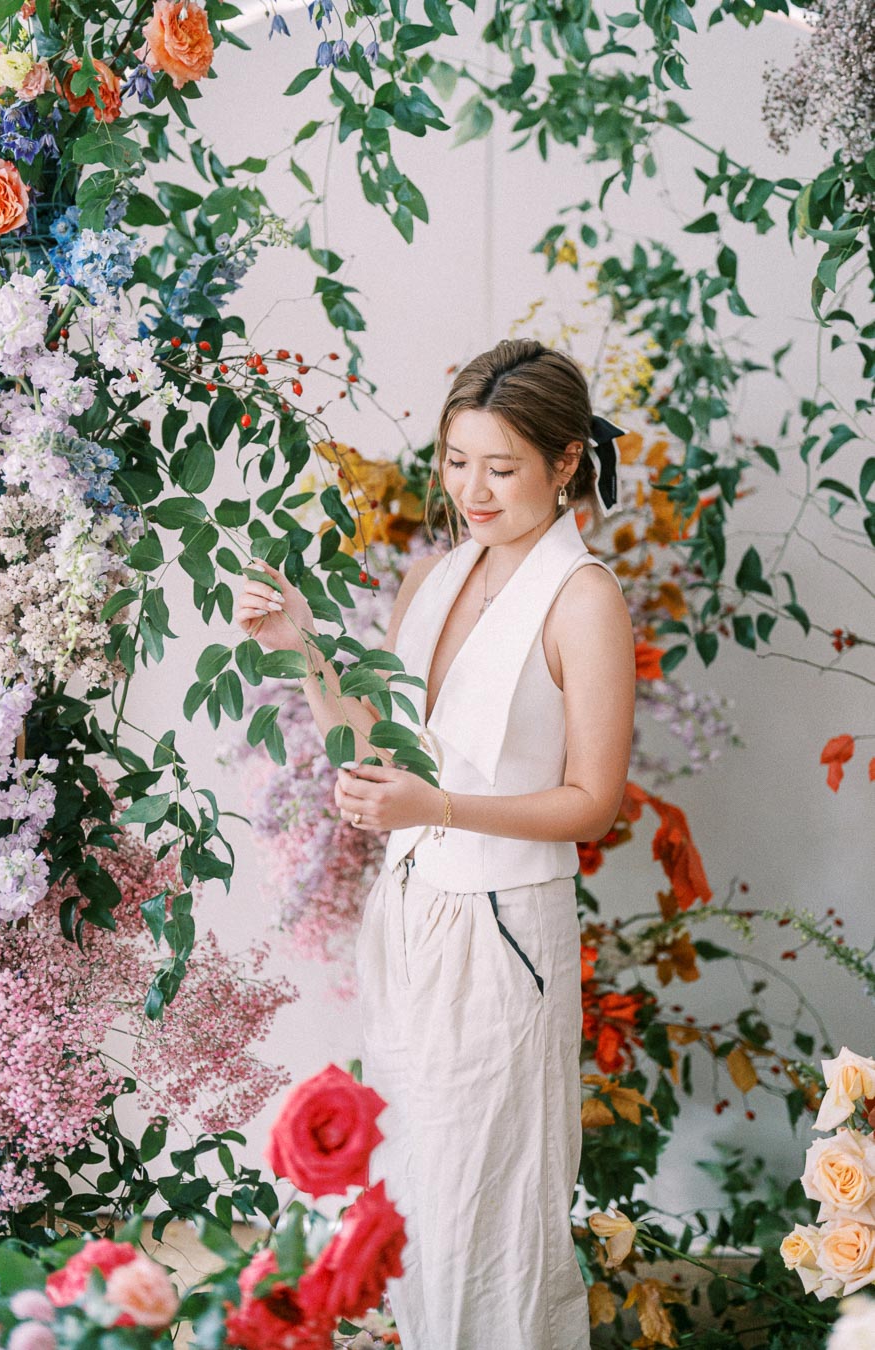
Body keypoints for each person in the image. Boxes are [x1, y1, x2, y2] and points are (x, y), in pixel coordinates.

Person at [235, 338, 636, 1349]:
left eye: (501, 468)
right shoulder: (434, 574)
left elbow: (593, 799)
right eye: (457, 462)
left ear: (565, 464)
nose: (473, 490)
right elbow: (379, 741)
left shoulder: (583, 599)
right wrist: (304, 648)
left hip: (503, 928)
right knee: (410, 1196)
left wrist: (439, 811)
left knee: (491, 1211)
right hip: (409, 915)